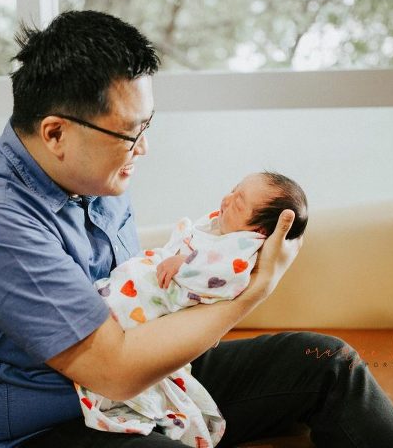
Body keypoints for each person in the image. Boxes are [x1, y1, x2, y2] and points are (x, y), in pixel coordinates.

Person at [0, 10, 393, 447]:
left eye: (148, 125)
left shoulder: (92, 176)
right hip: (55, 424)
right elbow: (115, 371)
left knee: (326, 363)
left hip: (145, 381)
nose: (143, 148)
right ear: (56, 133)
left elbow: (139, 300)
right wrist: (255, 290)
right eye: (131, 132)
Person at [76, 172, 308, 447]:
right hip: (122, 329)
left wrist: (183, 264)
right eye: (233, 191)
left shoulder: (243, 247)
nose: (226, 200)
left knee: (329, 359)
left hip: (146, 315)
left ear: (259, 232)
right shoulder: (224, 228)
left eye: (238, 203)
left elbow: (223, 276)